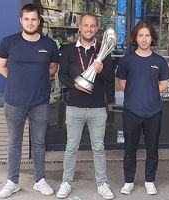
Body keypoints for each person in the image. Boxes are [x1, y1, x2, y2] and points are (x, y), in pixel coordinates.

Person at [0, 4, 59, 199]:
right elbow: (0, 66)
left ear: (39, 21)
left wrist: (34, 78)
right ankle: (12, 182)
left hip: (39, 101)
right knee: (14, 143)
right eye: (27, 19)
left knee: (39, 143)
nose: (30, 23)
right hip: (14, 102)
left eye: (34, 19)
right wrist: (17, 80)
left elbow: (53, 69)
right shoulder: (8, 42)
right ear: (21, 20)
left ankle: (40, 180)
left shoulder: (49, 44)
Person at [56, 13, 115, 199]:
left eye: (92, 26)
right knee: (71, 147)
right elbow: (62, 75)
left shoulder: (103, 50)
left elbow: (110, 79)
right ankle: (66, 182)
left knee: (98, 147)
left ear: (97, 29)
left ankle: (102, 183)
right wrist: (74, 84)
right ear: (79, 27)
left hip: (97, 107)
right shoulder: (68, 50)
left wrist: (102, 69)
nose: (89, 29)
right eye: (85, 25)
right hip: (74, 106)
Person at [116, 20, 169, 195]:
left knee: (152, 149)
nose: (144, 39)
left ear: (152, 38)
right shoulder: (126, 60)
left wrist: (149, 93)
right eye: (141, 35)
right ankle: (128, 181)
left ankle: (149, 181)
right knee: (129, 150)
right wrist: (138, 93)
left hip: (153, 112)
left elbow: (164, 85)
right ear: (135, 38)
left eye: (147, 35)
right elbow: (122, 85)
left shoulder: (159, 61)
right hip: (132, 111)